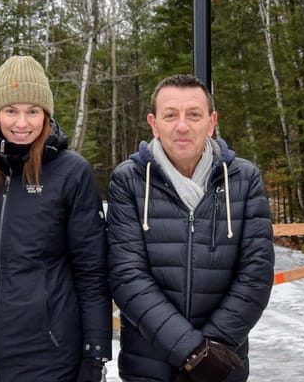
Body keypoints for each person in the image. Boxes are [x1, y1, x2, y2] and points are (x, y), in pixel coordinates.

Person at [0, 55, 111, 382]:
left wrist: (95, 352)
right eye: (11, 111)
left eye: (32, 111)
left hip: (47, 359)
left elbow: (91, 271)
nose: (22, 123)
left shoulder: (71, 173)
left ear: (45, 114)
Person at [107, 74, 274, 382]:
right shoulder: (128, 180)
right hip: (148, 367)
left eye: (193, 115)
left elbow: (257, 272)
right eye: (170, 115)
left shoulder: (245, 179)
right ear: (154, 124)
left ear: (211, 122)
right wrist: (191, 352)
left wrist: (212, 354)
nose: (182, 126)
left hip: (221, 367)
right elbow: (127, 275)